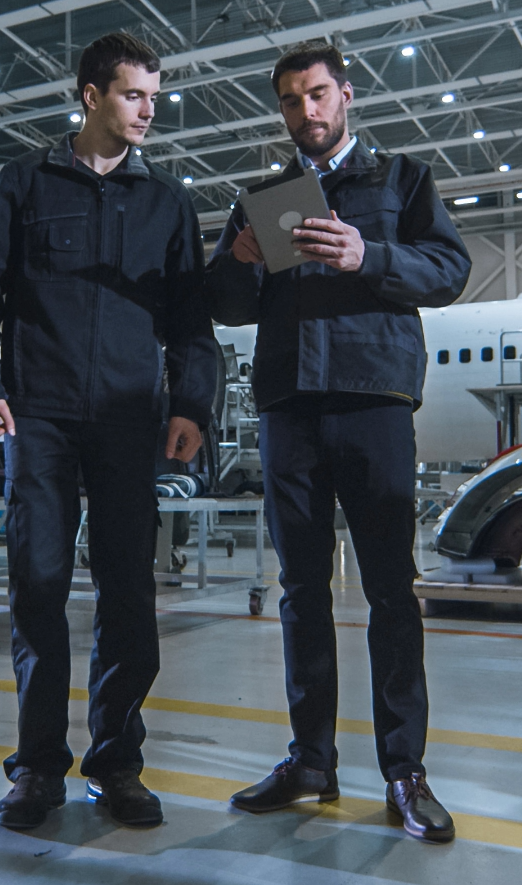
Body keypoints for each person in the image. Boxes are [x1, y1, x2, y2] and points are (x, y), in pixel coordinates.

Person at [206, 42, 471, 843]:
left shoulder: (401, 181)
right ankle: (311, 761)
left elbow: (450, 269)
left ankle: (404, 772)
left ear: (346, 94)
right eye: (291, 100)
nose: (306, 111)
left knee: (391, 588)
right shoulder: (263, 199)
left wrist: (370, 254)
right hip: (290, 408)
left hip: (372, 401)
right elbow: (225, 304)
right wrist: (239, 262)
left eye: (317, 94)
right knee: (301, 591)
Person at [0, 31, 218, 831]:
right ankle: (38, 768)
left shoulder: (167, 202)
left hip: (129, 421)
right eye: (134, 95)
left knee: (128, 590)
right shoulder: (26, 182)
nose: (148, 111)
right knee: (38, 585)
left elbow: (191, 320)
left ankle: (117, 764)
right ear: (92, 95)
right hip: (38, 416)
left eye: (154, 98)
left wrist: (191, 404)